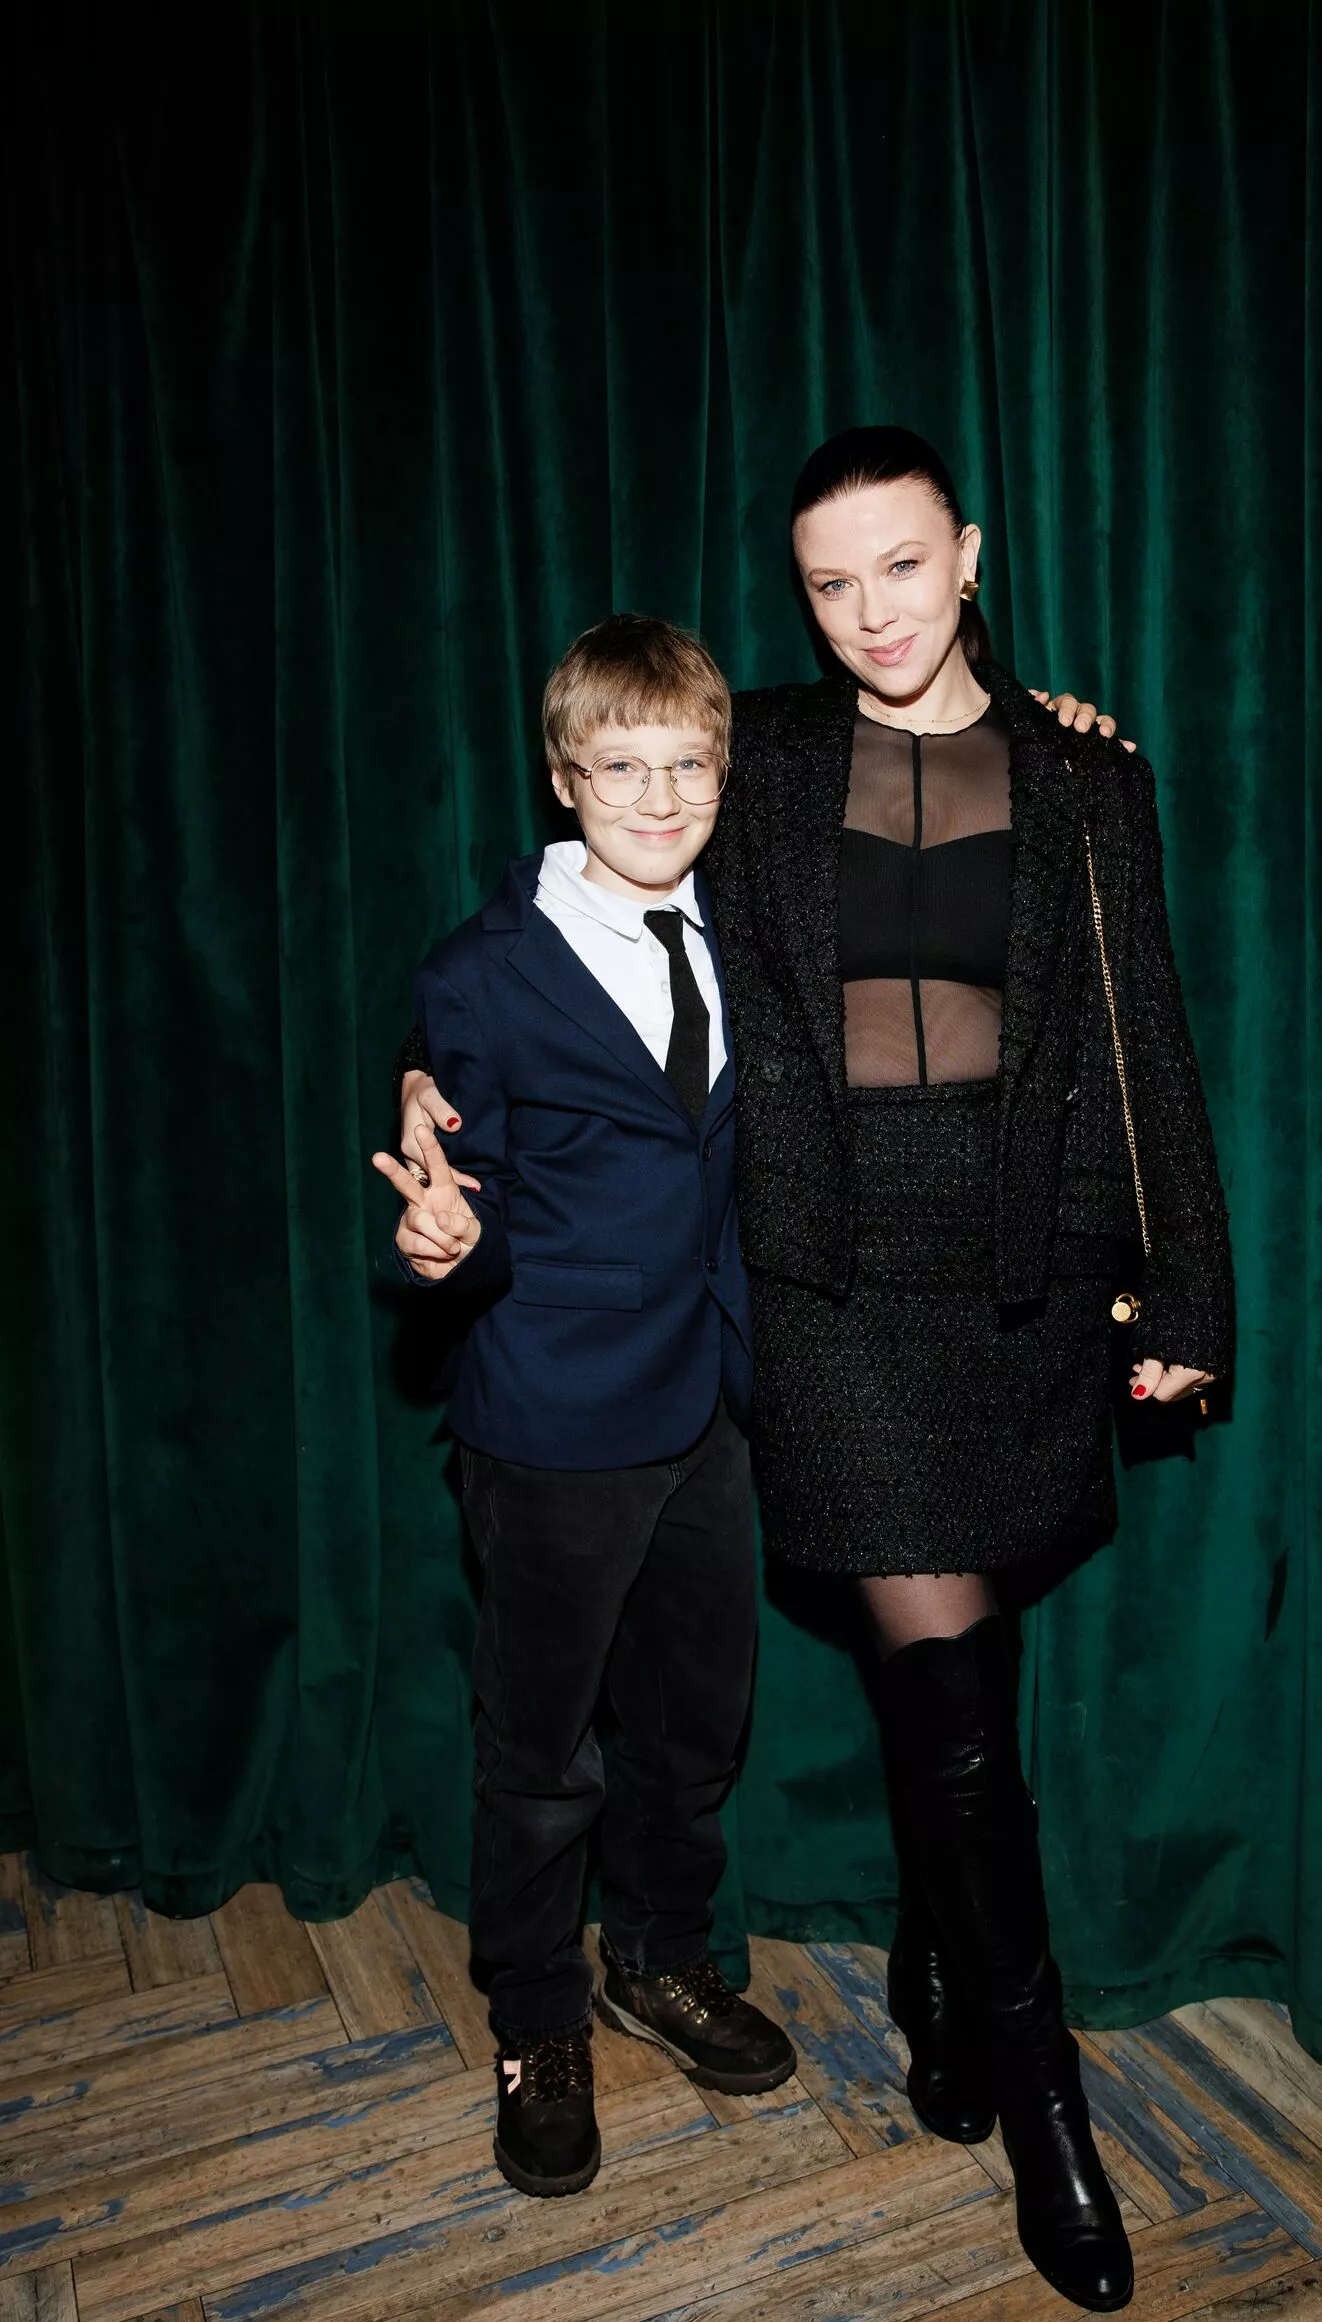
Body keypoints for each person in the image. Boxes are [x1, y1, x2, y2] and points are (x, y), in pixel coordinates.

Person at [401, 431, 1232, 2314]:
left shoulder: (1085, 771)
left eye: (903, 568)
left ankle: (937, 1967)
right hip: (832, 1294)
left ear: (970, 555)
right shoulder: (761, 754)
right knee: (945, 1685)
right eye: (831, 585)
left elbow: (1145, 1036)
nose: (872, 614)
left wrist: (1190, 1286)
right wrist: (434, 1102)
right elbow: (602, 827)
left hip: (1020, 1286)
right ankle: (1048, 2104)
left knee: (968, 1680)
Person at [374, 614, 795, 2202]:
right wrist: (444, 1239)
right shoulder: (480, 974)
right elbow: (458, 1167)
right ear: (563, 778)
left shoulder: (747, 927)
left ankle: (660, 1959)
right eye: (623, 768)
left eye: (690, 765)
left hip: (711, 1404)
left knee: (690, 1725)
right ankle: (538, 2020)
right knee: (543, 1750)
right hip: (552, 1415)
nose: (660, 798)